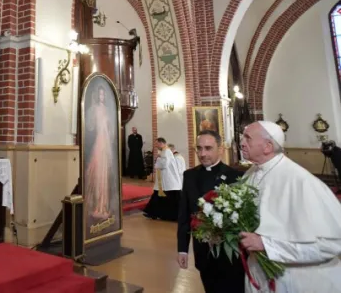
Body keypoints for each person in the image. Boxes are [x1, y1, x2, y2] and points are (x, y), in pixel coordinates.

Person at [239, 121, 341, 292]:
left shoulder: (301, 181)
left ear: (268, 146)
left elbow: (331, 244)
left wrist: (267, 245)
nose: (241, 142)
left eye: (247, 138)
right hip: (260, 274)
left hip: (298, 280)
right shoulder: (251, 174)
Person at [177, 130, 244, 293]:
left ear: (220, 149)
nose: (202, 153)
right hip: (202, 252)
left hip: (230, 255)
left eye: (208, 148)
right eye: (199, 148)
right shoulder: (189, 176)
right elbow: (184, 215)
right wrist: (182, 249)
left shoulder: (235, 176)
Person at [84, 86, 116, 220]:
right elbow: (90, 126)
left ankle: (104, 203)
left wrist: (110, 131)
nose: (101, 97)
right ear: (97, 96)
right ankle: (96, 202)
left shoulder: (108, 110)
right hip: (99, 140)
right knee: (96, 169)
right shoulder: (93, 109)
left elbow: (111, 129)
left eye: (103, 95)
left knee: (106, 171)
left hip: (107, 141)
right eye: (100, 95)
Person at [143, 137, 181, 221]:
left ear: (161, 143)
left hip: (169, 180)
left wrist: (158, 159)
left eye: (156, 144)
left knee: (169, 198)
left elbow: (164, 164)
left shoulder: (166, 151)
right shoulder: (164, 151)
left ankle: (173, 216)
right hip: (164, 180)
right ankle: (153, 213)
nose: (156, 146)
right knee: (157, 196)